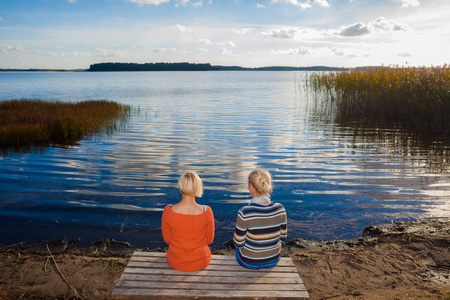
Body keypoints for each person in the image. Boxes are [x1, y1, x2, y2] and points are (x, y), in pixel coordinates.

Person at [233, 169, 287, 269]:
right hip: (274, 260)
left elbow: (238, 243)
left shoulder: (245, 212)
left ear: (251, 187)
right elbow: (283, 238)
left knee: (237, 247)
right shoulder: (280, 208)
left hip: (249, 263)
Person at [161, 171, 215, 272]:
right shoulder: (206, 211)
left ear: (180, 188)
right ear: (197, 188)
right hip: (201, 261)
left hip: (175, 261)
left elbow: (167, 239)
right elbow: (209, 240)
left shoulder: (168, 210)